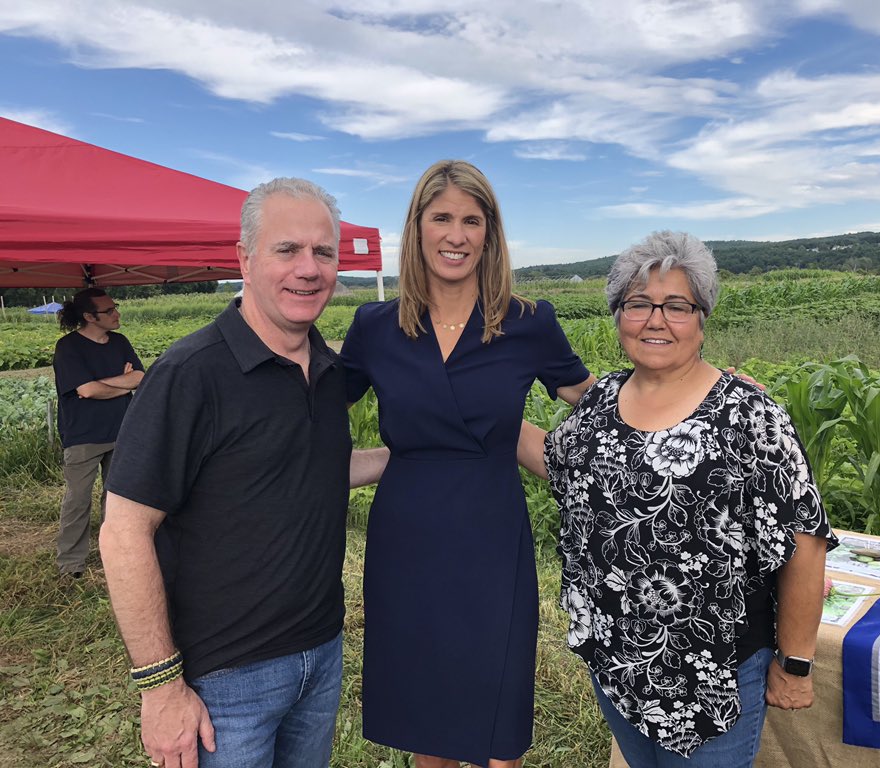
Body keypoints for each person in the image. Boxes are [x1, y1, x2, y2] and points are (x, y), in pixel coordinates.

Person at [98, 178, 388, 768]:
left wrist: (415, 456)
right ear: (245, 258)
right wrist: (160, 687)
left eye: (323, 252)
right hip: (224, 677)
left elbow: (308, 469)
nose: (309, 269)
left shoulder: (330, 372)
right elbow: (123, 530)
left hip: (321, 652)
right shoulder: (192, 373)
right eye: (288, 250)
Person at [518, 231, 836, 768]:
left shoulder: (749, 415)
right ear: (619, 315)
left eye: (677, 306)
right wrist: (481, 416)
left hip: (715, 673)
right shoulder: (600, 401)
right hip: (619, 660)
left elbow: (804, 541)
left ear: (702, 318)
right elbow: (562, 464)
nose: (655, 320)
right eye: (638, 304)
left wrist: (797, 663)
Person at [340, 160, 595, 768]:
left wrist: (699, 393)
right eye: (443, 218)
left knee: (494, 708)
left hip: (490, 532)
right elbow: (307, 412)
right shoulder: (374, 327)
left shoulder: (529, 322)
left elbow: (602, 405)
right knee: (431, 713)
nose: (456, 234)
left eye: (471, 220)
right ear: (418, 227)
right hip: (408, 536)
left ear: (490, 234)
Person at [53, 287, 144, 579]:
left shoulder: (120, 342)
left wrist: (105, 384)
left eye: (114, 307)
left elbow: (141, 378)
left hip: (122, 429)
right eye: (109, 311)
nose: (117, 314)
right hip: (83, 435)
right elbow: (86, 391)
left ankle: (113, 553)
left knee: (117, 499)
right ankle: (71, 563)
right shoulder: (68, 347)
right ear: (89, 316)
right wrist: (123, 382)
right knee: (78, 500)